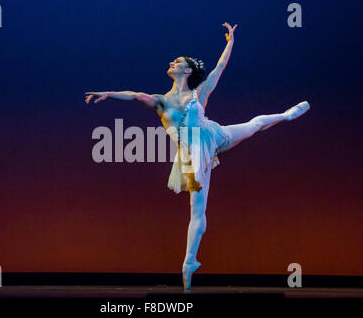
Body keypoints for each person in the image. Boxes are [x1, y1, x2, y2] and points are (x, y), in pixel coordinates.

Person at [85, 22, 310, 292]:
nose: (172, 62)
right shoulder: (161, 100)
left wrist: (230, 42)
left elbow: (219, 68)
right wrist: (109, 94)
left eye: (177, 61)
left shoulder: (199, 91)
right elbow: (135, 96)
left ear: (187, 69)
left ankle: (286, 115)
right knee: (197, 209)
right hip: (192, 152)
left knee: (254, 125)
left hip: (212, 136)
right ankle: (189, 262)